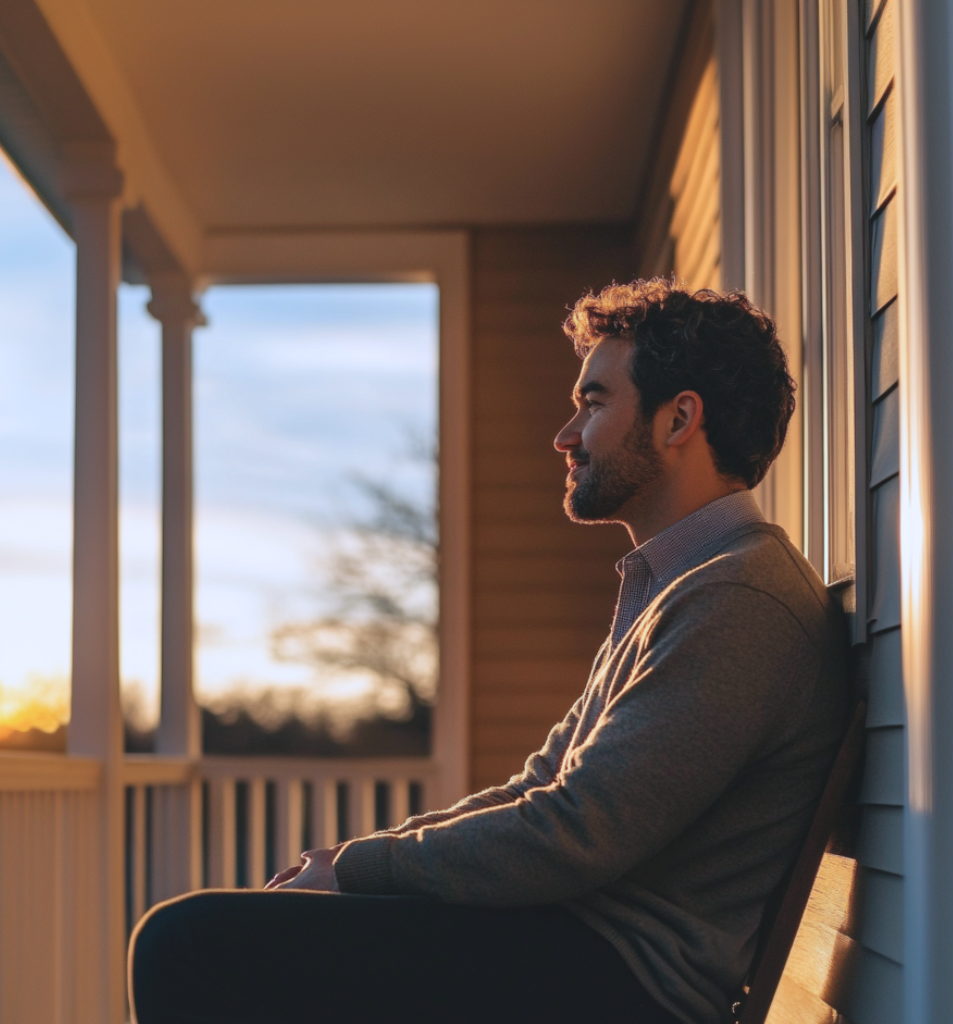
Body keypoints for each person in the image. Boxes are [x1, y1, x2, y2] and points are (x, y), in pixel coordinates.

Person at [129, 278, 848, 1024]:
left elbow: (574, 831)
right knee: (215, 939)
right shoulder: (685, 584)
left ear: (680, 419)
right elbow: (539, 784)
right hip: (569, 947)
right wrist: (363, 856)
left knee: (185, 943)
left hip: (618, 981)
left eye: (595, 402)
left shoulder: (739, 600)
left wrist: (360, 871)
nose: (566, 436)